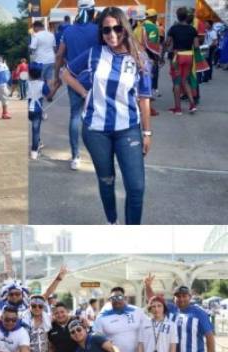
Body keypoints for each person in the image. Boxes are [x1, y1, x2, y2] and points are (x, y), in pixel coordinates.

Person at [62, 7, 152, 225]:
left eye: (117, 28)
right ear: (100, 32)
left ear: (125, 28)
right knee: (106, 180)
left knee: (136, 188)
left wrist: (147, 132)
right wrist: (84, 93)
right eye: (106, 30)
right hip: (95, 130)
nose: (112, 34)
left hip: (128, 129)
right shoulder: (94, 53)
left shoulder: (139, 58)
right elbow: (66, 73)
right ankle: (111, 222)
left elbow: (144, 99)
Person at [53, 0, 100, 170]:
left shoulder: (68, 31)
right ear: (93, 11)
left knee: (75, 116)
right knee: (96, 116)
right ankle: (98, 155)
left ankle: (75, 157)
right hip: (96, 79)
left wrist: (56, 77)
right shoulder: (98, 30)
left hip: (73, 79)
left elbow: (59, 55)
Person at [162, 7, 199, 114]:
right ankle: (192, 105)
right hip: (189, 56)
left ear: (178, 17)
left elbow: (167, 43)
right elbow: (196, 46)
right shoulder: (192, 29)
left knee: (177, 82)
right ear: (187, 16)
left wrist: (162, 55)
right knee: (185, 81)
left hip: (177, 56)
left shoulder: (173, 28)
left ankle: (178, 108)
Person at [28, 63, 53, 160]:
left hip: (28, 111)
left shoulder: (27, 84)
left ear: (29, 74)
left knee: (35, 129)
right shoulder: (43, 84)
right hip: (37, 112)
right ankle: (34, 152)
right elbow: (49, 97)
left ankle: (38, 142)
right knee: (35, 131)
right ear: (41, 74)